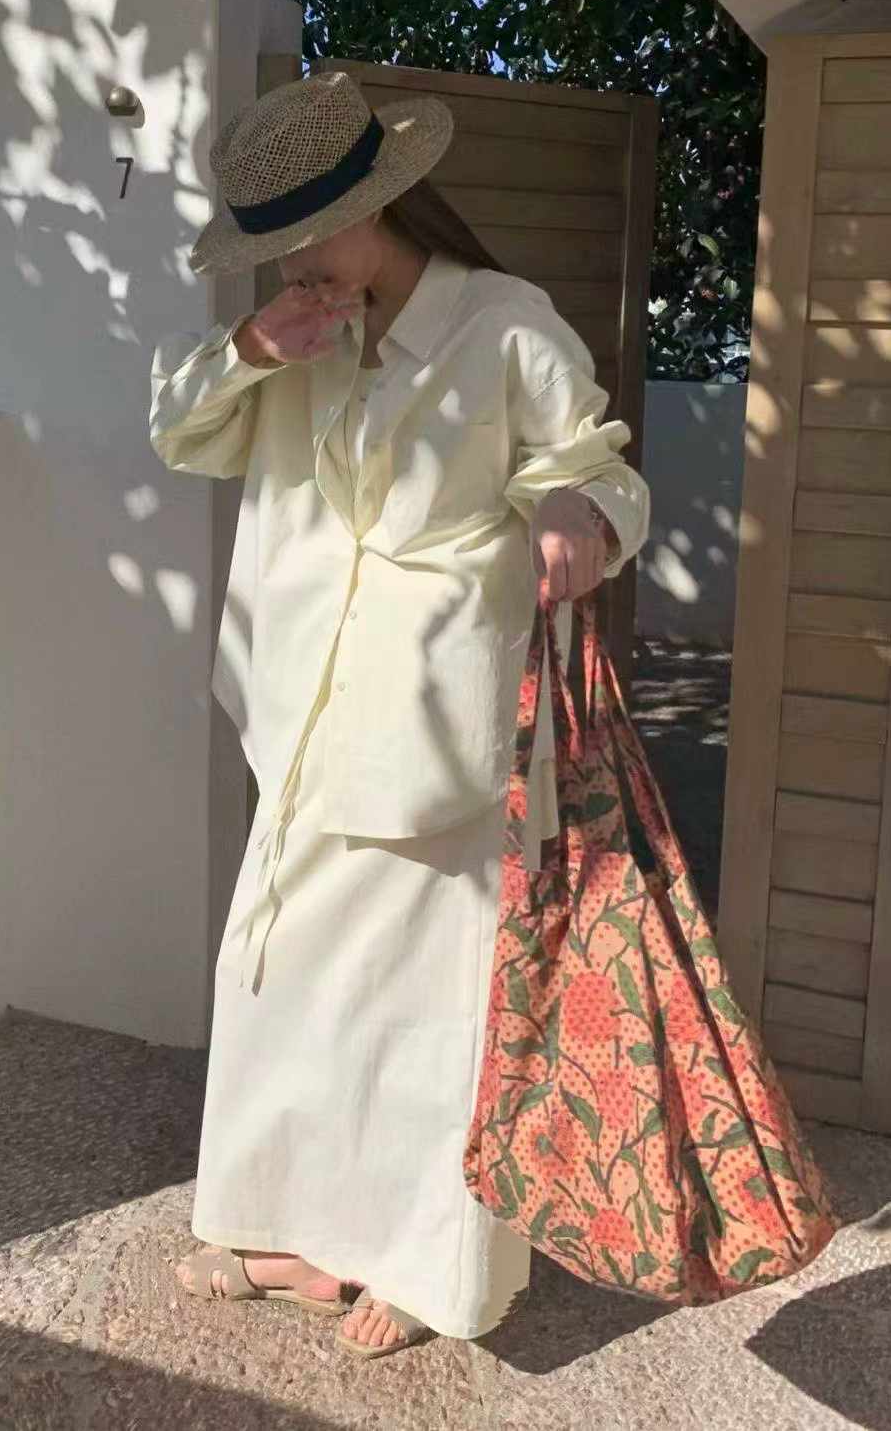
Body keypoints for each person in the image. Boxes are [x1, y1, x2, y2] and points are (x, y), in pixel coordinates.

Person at [148, 69, 650, 1359]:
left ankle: (429, 1268)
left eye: (306, 238)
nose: (292, 268)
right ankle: (304, 1230)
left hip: (438, 725)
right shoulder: (294, 331)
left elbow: (599, 469)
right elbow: (177, 433)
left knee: (431, 1015)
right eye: (274, 249)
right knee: (285, 986)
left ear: (371, 208)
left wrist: (573, 515)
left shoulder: (505, 326)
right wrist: (253, 351)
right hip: (303, 712)